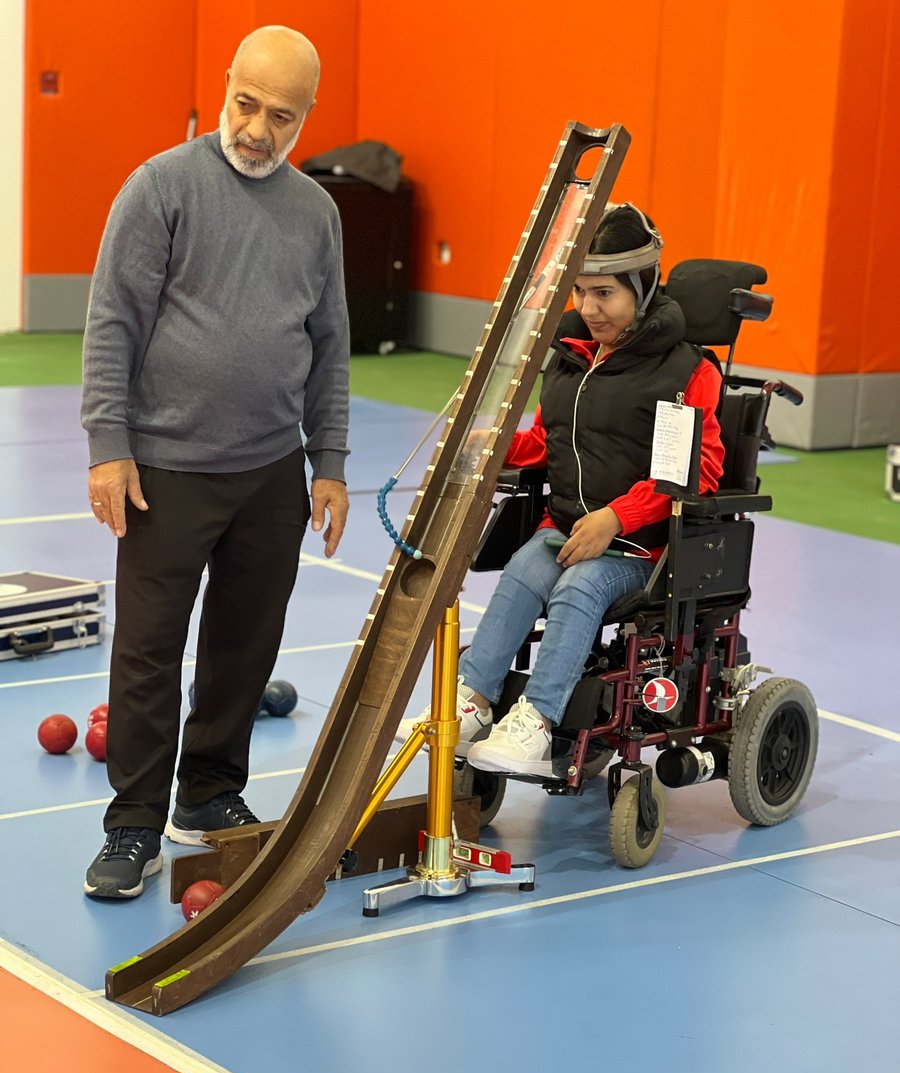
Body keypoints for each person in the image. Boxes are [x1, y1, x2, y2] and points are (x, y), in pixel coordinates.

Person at [81, 26, 350, 899]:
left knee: (243, 645)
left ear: (306, 117)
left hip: (272, 472)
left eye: (281, 115)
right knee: (150, 652)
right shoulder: (161, 187)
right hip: (166, 468)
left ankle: (208, 793)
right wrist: (109, 448)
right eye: (246, 104)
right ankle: (132, 827)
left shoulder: (317, 214)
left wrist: (331, 465)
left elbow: (330, 346)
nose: (258, 129)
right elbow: (113, 321)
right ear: (223, 86)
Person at [400, 203, 724, 777]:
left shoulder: (688, 373)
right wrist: (500, 446)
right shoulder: (572, 359)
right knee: (525, 569)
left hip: (644, 547)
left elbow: (693, 474)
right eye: (579, 292)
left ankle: (537, 720)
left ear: (643, 289)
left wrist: (616, 519)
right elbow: (559, 441)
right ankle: (473, 701)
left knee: (578, 584)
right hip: (567, 529)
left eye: (604, 294)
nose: (588, 308)